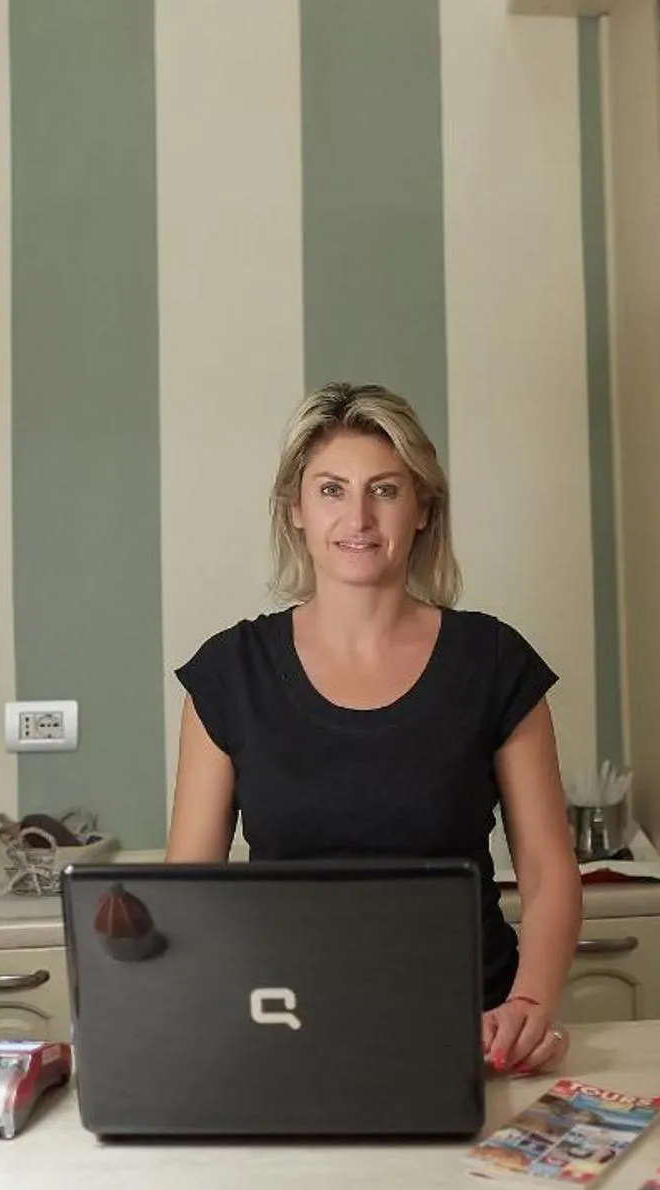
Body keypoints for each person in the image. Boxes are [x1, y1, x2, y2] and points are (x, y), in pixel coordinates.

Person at [165, 381, 584, 1076]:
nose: (357, 516)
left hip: (466, 1033)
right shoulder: (229, 673)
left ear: (422, 510)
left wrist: (530, 1005)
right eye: (331, 490)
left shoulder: (493, 662)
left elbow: (546, 872)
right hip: (279, 1029)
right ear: (294, 511)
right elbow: (189, 892)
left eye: (385, 490)